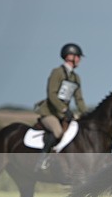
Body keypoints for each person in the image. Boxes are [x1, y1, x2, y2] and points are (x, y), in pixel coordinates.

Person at [34, 43, 87, 171]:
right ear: (70, 56)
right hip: (49, 113)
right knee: (58, 131)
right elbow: (51, 94)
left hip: (64, 115)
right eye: (78, 56)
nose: (79, 59)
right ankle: (42, 160)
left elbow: (78, 99)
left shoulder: (76, 77)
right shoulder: (57, 73)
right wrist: (64, 109)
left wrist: (86, 114)